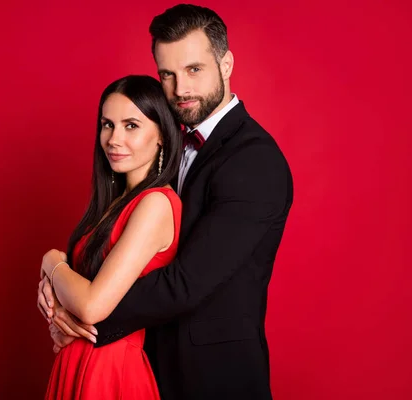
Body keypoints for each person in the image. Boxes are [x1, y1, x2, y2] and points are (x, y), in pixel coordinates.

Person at [39, 4, 293, 399]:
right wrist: (55, 276)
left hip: (214, 378)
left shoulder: (255, 160)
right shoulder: (159, 147)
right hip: (147, 365)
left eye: (194, 69)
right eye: (167, 75)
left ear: (225, 64)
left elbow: (186, 282)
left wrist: (84, 315)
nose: (179, 89)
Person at [39, 74, 183, 399]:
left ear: (162, 134)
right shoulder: (115, 203)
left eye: (131, 125)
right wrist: (59, 307)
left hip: (109, 370)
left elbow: (92, 306)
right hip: (76, 361)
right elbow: (78, 295)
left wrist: (51, 261)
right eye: (107, 125)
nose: (114, 139)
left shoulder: (156, 203)